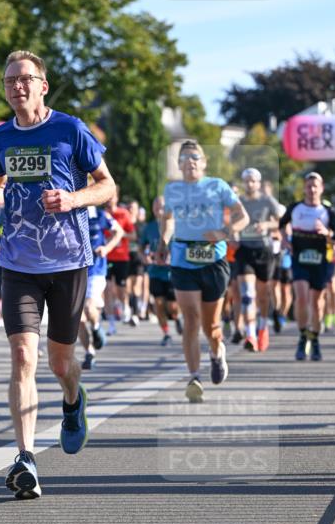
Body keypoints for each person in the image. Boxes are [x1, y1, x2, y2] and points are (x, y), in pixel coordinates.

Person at [0, 50, 115, 499]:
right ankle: (26, 456)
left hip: (69, 261)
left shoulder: (70, 129)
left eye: (26, 79)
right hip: (18, 262)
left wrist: (72, 200)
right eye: (10, 80)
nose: (17, 87)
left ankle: (73, 401)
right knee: (22, 358)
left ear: (42, 85)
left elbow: (108, 185)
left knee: (59, 363)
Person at [157, 141, 249, 403]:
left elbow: (243, 216)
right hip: (183, 259)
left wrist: (224, 233)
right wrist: (163, 243)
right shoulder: (172, 189)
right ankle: (194, 377)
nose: (190, 161)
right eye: (184, 158)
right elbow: (167, 219)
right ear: (179, 164)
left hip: (214, 260)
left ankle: (217, 351)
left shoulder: (217, 186)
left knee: (212, 326)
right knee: (191, 319)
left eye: (195, 157)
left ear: (204, 162)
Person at [279, 171, 335, 361]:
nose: (312, 189)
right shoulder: (295, 208)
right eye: (309, 186)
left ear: (321, 188)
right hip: (300, 259)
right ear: (304, 188)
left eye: (316, 186)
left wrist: (326, 232)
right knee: (301, 297)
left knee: (316, 303)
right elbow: (281, 224)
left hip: (320, 261)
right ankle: (302, 337)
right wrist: (285, 240)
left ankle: (314, 339)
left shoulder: (326, 212)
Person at [235, 168, 282, 352]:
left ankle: (262, 327)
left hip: (263, 251)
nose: (249, 184)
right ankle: (250, 335)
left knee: (263, 297)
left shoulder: (267, 200)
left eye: (253, 181)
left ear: (258, 183)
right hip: (244, 250)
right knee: (247, 294)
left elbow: (280, 221)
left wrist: (266, 224)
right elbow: (232, 220)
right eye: (247, 181)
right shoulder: (239, 202)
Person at [78, 202, 124, 369]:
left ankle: (96, 327)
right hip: (73, 271)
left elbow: (119, 231)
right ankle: (89, 353)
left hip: (95, 270)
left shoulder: (100, 214)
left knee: (90, 307)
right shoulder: (68, 212)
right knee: (77, 318)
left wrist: (107, 247)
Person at [141, 196, 181, 346]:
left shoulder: (175, 226)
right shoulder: (149, 227)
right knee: (158, 302)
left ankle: (177, 318)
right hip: (155, 271)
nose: (159, 208)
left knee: (172, 306)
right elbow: (142, 247)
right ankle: (166, 333)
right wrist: (145, 257)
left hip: (172, 271)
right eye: (156, 205)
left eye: (162, 205)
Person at [102, 191, 133, 332]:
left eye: (112, 197)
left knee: (121, 289)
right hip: (106, 257)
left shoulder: (123, 214)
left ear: (117, 198)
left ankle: (125, 305)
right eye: (107, 197)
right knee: (107, 288)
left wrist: (119, 235)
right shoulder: (102, 215)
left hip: (122, 257)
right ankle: (111, 322)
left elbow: (133, 235)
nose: (109, 200)